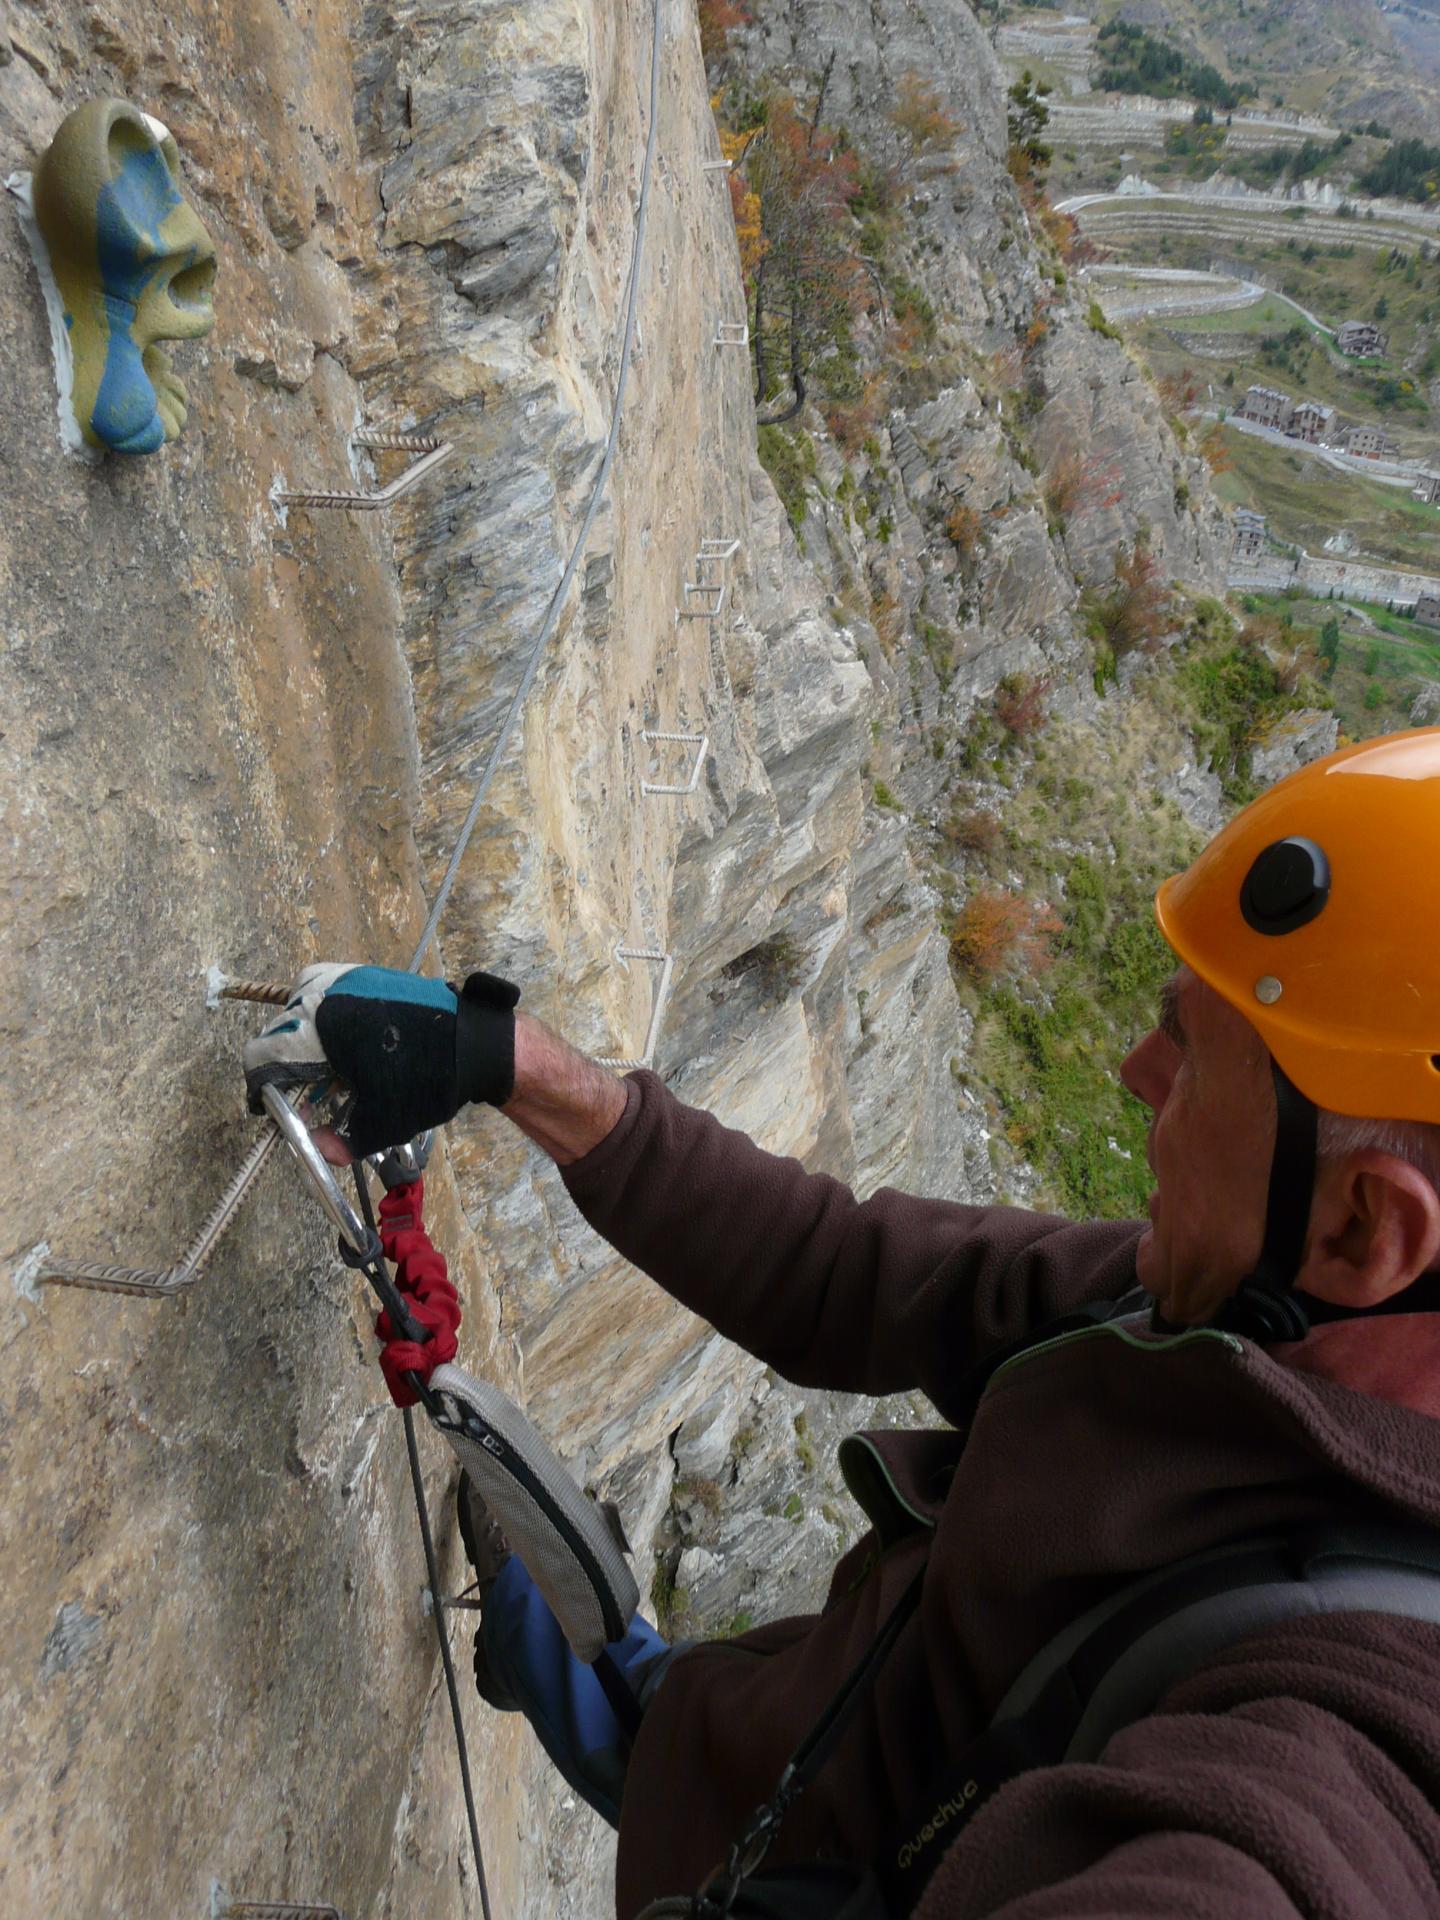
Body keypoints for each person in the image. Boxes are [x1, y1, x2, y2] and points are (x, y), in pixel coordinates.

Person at [245, 731, 1440, 1917]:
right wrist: (514, 1064)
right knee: (639, 1698)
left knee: (624, 1693)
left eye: (1191, 1056)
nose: (1135, 1070)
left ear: (1364, 1230)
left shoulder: (1354, 1726)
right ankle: (544, 1642)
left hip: (786, 1850)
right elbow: (845, 1270)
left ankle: (553, 1646)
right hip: (760, 1755)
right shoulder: (1203, 1306)